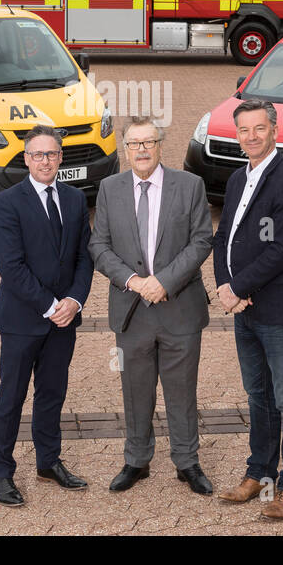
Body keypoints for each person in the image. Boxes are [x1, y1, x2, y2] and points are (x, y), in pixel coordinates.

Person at [89, 117, 214, 496]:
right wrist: (134, 281)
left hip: (179, 308)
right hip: (132, 310)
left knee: (182, 390)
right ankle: (137, 460)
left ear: (160, 145)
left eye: (149, 142)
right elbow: (99, 246)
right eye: (133, 144)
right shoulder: (109, 189)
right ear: (125, 150)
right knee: (135, 389)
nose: (141, 150)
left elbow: (201, 241)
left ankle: (187, 462)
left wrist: (164, 281)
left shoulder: (190, 185)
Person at [212, 98, 283, 521]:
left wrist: (239, 286)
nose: (251, 136)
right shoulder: (238, 178)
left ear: (274, 129)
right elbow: (224, 238)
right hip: (244, 309)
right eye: (243, 130)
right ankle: (259, 472)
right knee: (258, 396)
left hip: (280, 309)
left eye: (258, 128)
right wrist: (223, 286)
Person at [0, 124, 93, 507]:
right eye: (37, 154)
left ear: (61, 157)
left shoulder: (75, 200)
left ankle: (48, 462)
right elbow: (11, 268)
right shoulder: (7, 202)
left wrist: (75, 302)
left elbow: (85, 257)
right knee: (11, 397)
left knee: (52, 394)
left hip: (64, 321)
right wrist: (51, 306)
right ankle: (2, 471)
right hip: (22, 321)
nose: (44, 161)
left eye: (51, 154)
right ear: (26, 158)